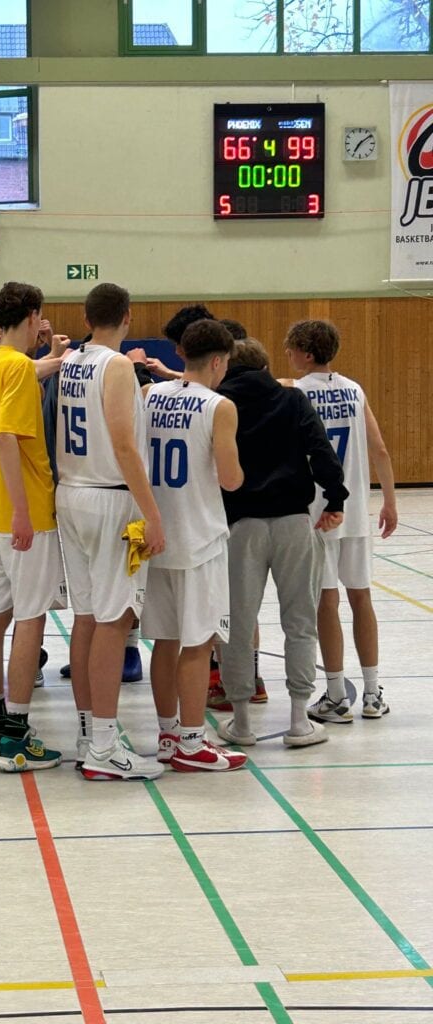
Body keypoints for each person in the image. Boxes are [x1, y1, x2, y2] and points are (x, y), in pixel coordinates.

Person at [214, 339, 348, 749]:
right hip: (293, 521)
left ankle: (240, 722)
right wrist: (336, 498)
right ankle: (297, 720)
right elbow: (322, 452)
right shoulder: (292, 400)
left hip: (241, 526)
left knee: (237, 624)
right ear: (267, 365)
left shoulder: (218, 402)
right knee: (300, 621)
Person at [56, 282, 165, 781]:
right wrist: (153, 513)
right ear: (127, 315)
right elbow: (123, 445)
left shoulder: (73, 360)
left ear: (85, 317)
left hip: (72, 493)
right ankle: (103, 744)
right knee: (116, 619)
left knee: (86, 616)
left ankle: (88, 732)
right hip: (112, 499)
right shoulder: (117, 366)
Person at [141, 320, 247, 772]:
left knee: (165, 642)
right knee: (198, 643)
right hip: (200, 537)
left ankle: (168, 734)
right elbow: (230, 479)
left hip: (157, 534)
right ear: (220, 361)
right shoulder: (220, 406)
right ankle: (191, 739)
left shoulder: (149, 397)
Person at [0, 283, 65, 772]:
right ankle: (16, 737)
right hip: (22, 516)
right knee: (30, 619)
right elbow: (7, 437)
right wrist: (24, 512)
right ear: (33, 316)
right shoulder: (16, 370)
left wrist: (54, 359)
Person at [284, 319, 397, 721]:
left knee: (325, 602)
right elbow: (379, 448)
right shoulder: (354, 389)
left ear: (307, 353)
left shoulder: (296, 392)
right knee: (361, 597)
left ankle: (335, 694)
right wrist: (389, 501)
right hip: (354, 513)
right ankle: (371, 693)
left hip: (317, 512)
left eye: (292, 349)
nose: (288, 355)